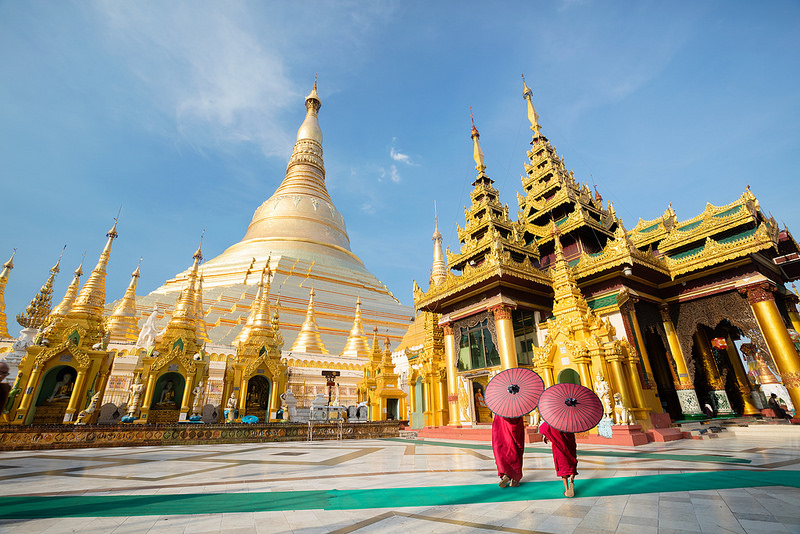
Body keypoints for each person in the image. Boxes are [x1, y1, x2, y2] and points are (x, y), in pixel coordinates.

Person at [538, 420, 578, 497]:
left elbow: (542, 428)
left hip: (559, 447)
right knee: (572, 462)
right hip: (570, 443)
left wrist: (547, 437)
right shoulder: (570, 419)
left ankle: (567, 490)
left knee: (563, 467)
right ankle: (572, 478)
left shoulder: (554, 419)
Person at [491, 415, 525, 488]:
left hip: (500, 435)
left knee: (501, 452)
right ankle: (514, 480)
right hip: (515, 421)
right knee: (515, 450)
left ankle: (505, 475)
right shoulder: (518, 411)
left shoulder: (499, 411)